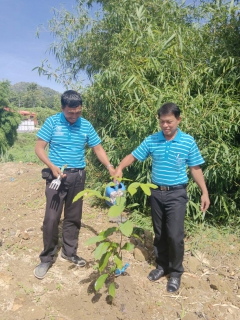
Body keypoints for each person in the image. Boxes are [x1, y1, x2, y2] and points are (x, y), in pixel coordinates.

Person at [115, 102, 210, 292]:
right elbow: (134, 155)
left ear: (178, 120)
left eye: (169, 122)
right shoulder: (152, 140)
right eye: (162, 122)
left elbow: (195, 168)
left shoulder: (187, 141)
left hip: (176, 193)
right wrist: (119, 167)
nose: (166, 126)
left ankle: (175, 273)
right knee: (159, 234)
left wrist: (204, 192)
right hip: (156, 192)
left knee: (175, 235)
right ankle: (161, 266)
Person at [34, 90, 115, 279]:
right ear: (62, 108)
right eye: (70, 112)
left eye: (78, 112)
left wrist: (110, 166)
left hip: (78, 177)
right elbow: (39, 148)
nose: (74, 116)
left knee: (73, 217)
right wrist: (51, 166)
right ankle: (47, 258)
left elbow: (98, 148)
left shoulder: (85, 125)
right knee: (52, 219)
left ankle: (69, 252)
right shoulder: (52, 122)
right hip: (56, 177)